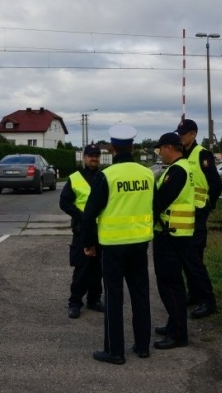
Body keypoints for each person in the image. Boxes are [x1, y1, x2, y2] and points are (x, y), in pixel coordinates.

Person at [81, 124, 154, 365]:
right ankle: (143, 346)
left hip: (113, 246)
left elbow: (89, 214)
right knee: (141, 294)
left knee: (114, 297)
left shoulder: (107, 176)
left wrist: (89, 243)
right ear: (132, 147)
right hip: (140, 244)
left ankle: (115, 351)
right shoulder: (147, 174)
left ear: (112, 148)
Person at [151, 131, 195, 349]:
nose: (159, 153)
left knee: (170, 285)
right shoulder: (182, 167)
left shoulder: (176, 171)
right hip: (176, 234)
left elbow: (160, 201)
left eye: (160, 149)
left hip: (171, 235)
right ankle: (173, 324)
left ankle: (178, 333)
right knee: (172, 283)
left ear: (168, 148)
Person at [176, 118, 222, 319]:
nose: (180, 137)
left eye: (183, 134)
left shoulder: (202, 154)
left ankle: (208, 301)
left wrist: (208, 206)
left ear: (193, 134)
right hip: (183, 215)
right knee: (186, 257)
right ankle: (194, 293)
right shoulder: (181, 155)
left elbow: (216, 184)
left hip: (198, 213)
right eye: (179, 133)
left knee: (194, 258)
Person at [59, 144, 104, 319]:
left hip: (102, 230)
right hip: (83, 230)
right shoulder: (75, 178)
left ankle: (94, 299)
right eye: (91, 155)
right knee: (82, 268)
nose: (94, 158)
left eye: (96, 155)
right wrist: (82, 216)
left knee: (98, 268)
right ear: (84, 157)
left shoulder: (105, 177)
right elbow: (64, 202)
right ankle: (75, 302)